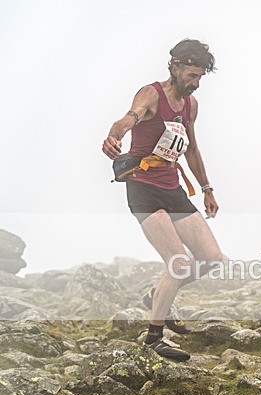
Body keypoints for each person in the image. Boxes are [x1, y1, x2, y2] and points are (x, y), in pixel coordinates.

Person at [101, 39, 223, 362]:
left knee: (211, 258)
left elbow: (192, 149)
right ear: (176, 66)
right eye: (192, 75)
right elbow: (127, 120)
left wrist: (207, 189)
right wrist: (115, 136)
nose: (195, 84)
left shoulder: (190, 106)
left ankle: (158, 295)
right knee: (178, 262)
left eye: (200, 78)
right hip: (142, 185)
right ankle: (153, 338)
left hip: (172, 186)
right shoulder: (151, 94)